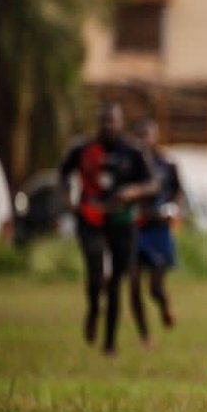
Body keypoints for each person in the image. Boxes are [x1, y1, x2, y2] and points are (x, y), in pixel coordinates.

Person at [58, 102, 156, 356]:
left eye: (113, 120)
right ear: (98, 122)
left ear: (121, 122)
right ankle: (93, 309)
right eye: (104, 121)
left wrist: (133, 191)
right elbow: (63, 174)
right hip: (91, 218)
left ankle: (109, 342)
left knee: (115, 285)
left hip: (122, 222)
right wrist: (69, 201)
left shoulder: (133, 151)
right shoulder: (83, 148)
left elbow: (153, 183)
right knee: (95, 272)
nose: (108, 125)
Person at [129, 119, 184, 346]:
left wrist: (171, 209)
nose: (144, 139)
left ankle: (164, 304)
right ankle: (145, 336)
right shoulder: (128, 166)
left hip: (159, 231)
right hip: (134, 231)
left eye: (148, 135)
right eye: (140, 135)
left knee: (154, 287)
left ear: (155, 137)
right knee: (133, 285)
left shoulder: (166, 165)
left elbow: (178, 193)